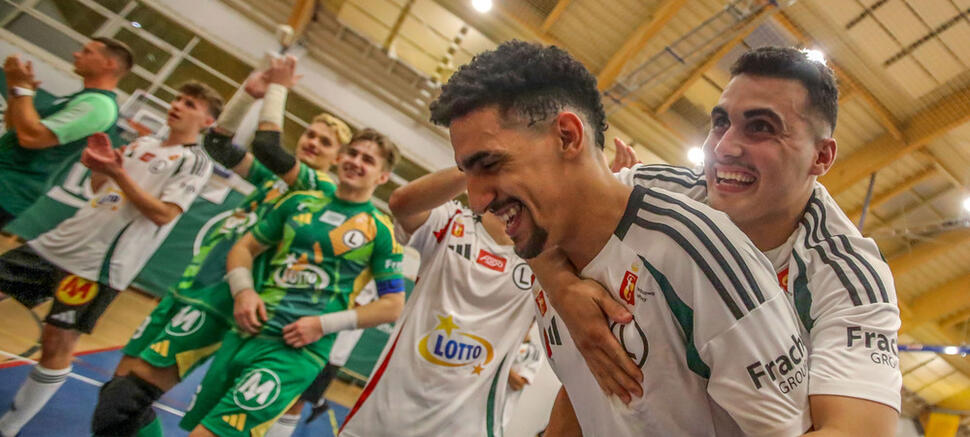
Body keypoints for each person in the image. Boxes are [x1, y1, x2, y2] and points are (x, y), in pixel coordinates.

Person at [430, 40, 811, 436]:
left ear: (566, 136)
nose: (476, 201)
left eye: (490, 164)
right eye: (467, 173)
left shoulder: (697, 252)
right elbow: (593, 399)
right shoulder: (547, 259)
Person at [543, 47, 901, 436]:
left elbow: (855, 431)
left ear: (821, 156)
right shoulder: (661, 190)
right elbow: (542, 202)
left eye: (761, 127)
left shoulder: (846, 276)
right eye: (720, 123)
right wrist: (562, 288)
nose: (725, 147)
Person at [91, 56, 353, 437]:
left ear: (336, 158)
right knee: (115, 395)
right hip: (191, 286)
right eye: (310, 134)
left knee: (124, 402)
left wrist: (279, 88)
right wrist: (248, 94)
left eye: (325, 142)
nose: (313, 142)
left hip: (223, 304)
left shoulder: (320, 190)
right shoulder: (275, 182)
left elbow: (267, 145)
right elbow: (217, 143)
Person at [0, 81, 220, 437]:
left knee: (58, 343)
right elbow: (100, 189)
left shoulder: (194, 162)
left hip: (96, 266)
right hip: (58, 243)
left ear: (207, 121)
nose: (178, 105)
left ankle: (9, 427)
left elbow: (164, 214)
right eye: (178, 98)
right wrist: (100, 166)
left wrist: (118, 174)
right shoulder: (142, 143)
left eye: (190, 103)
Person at [180, 127, 406, 437]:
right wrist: (243, 291)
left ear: (382, 177)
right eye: (353, 153)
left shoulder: (380, 230)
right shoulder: (299, 202)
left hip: (296, 352)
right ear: (340, 157)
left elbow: (392, 306)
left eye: (368, 160)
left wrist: (322, 325)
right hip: (247, 333)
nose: (356, 162)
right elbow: (244, 249)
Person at [339, 166, 536, 437]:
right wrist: (478, 160)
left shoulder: (542, 257)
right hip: (385, 418)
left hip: (466, 428)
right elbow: (401, 204)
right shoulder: (454, 220)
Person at [0, 37, 133, 228]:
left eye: (87, 52)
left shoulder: (99, 106)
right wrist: (17, 89)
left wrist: (23, 90)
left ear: (109, 64)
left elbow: (32, 138)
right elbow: (15, 127)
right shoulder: (82, 98)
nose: (76, 54)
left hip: (9, 189)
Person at [502, 329, 544, 431]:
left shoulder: (533, 351)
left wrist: (500, 362)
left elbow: (518, 384)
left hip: (498, 414)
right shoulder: (502, 342)